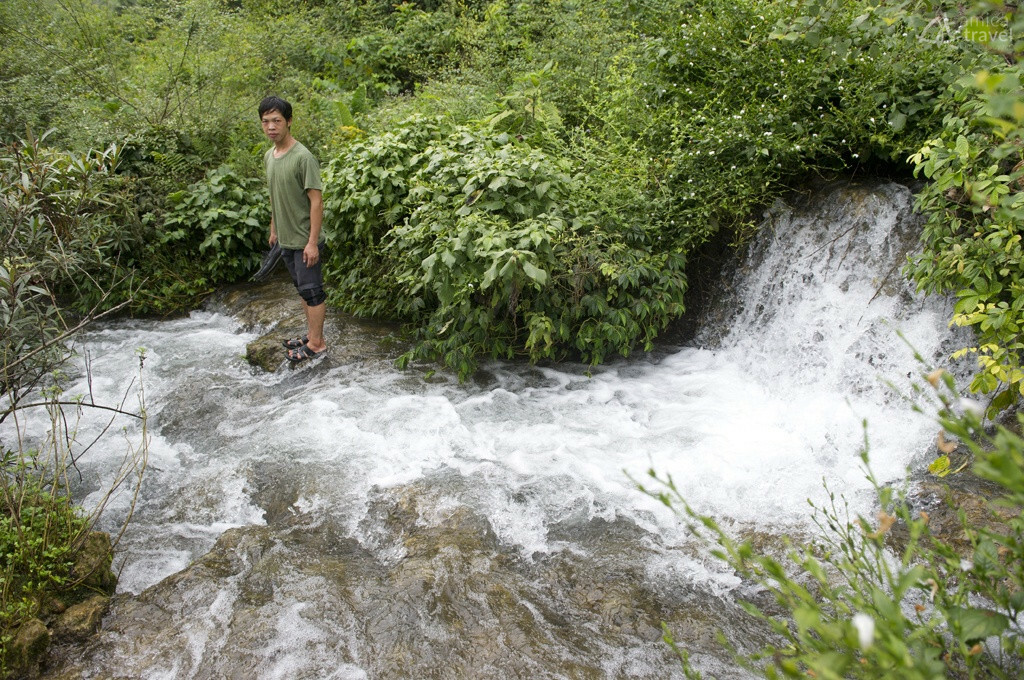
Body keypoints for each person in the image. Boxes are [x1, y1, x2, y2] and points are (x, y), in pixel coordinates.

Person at [259, 95, 327, 363]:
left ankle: (317, 344)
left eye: (276, 121)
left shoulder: (303, 157)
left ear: (288, 122)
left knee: (313, 291)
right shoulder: (270, 156)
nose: (271, 127)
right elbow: (275, 194)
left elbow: (316, 201)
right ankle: (311, 335)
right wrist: (274, 227)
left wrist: (312, 242)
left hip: (303, 239)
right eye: (266, 122)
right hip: (285, 239)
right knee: (301, 289)